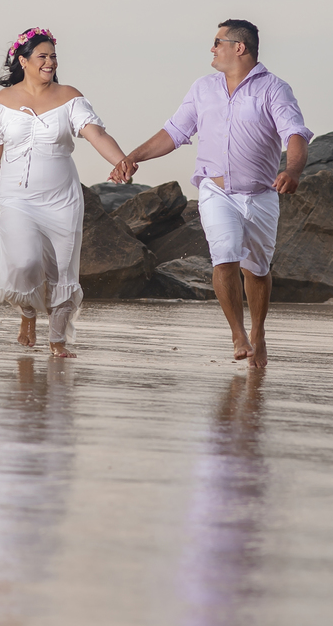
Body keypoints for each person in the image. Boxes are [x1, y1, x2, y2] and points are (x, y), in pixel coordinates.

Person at [111, 19, 311, 368]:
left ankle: (258, 331)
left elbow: (294, 134)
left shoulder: (274, 89)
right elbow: (173, 132)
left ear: (240, 47)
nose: (212, 48)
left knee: (258, 269)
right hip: (215, 190)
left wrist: (292, 170)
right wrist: (132, 157)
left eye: (218, 42)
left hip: (260, 194)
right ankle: (237, 332)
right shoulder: (203, 88)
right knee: (224, 256)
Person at [0, 27, 129, 358]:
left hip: (62, 200)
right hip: (16, 199)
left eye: (53, 57)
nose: (49, 62)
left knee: (63, 270)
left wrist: (121, 160)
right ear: (23, 60)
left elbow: (96, 134)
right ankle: (29, 312)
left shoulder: (69, 97)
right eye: (42, 56)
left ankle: (57, 339)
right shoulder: (0, 104)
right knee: (24, 261)